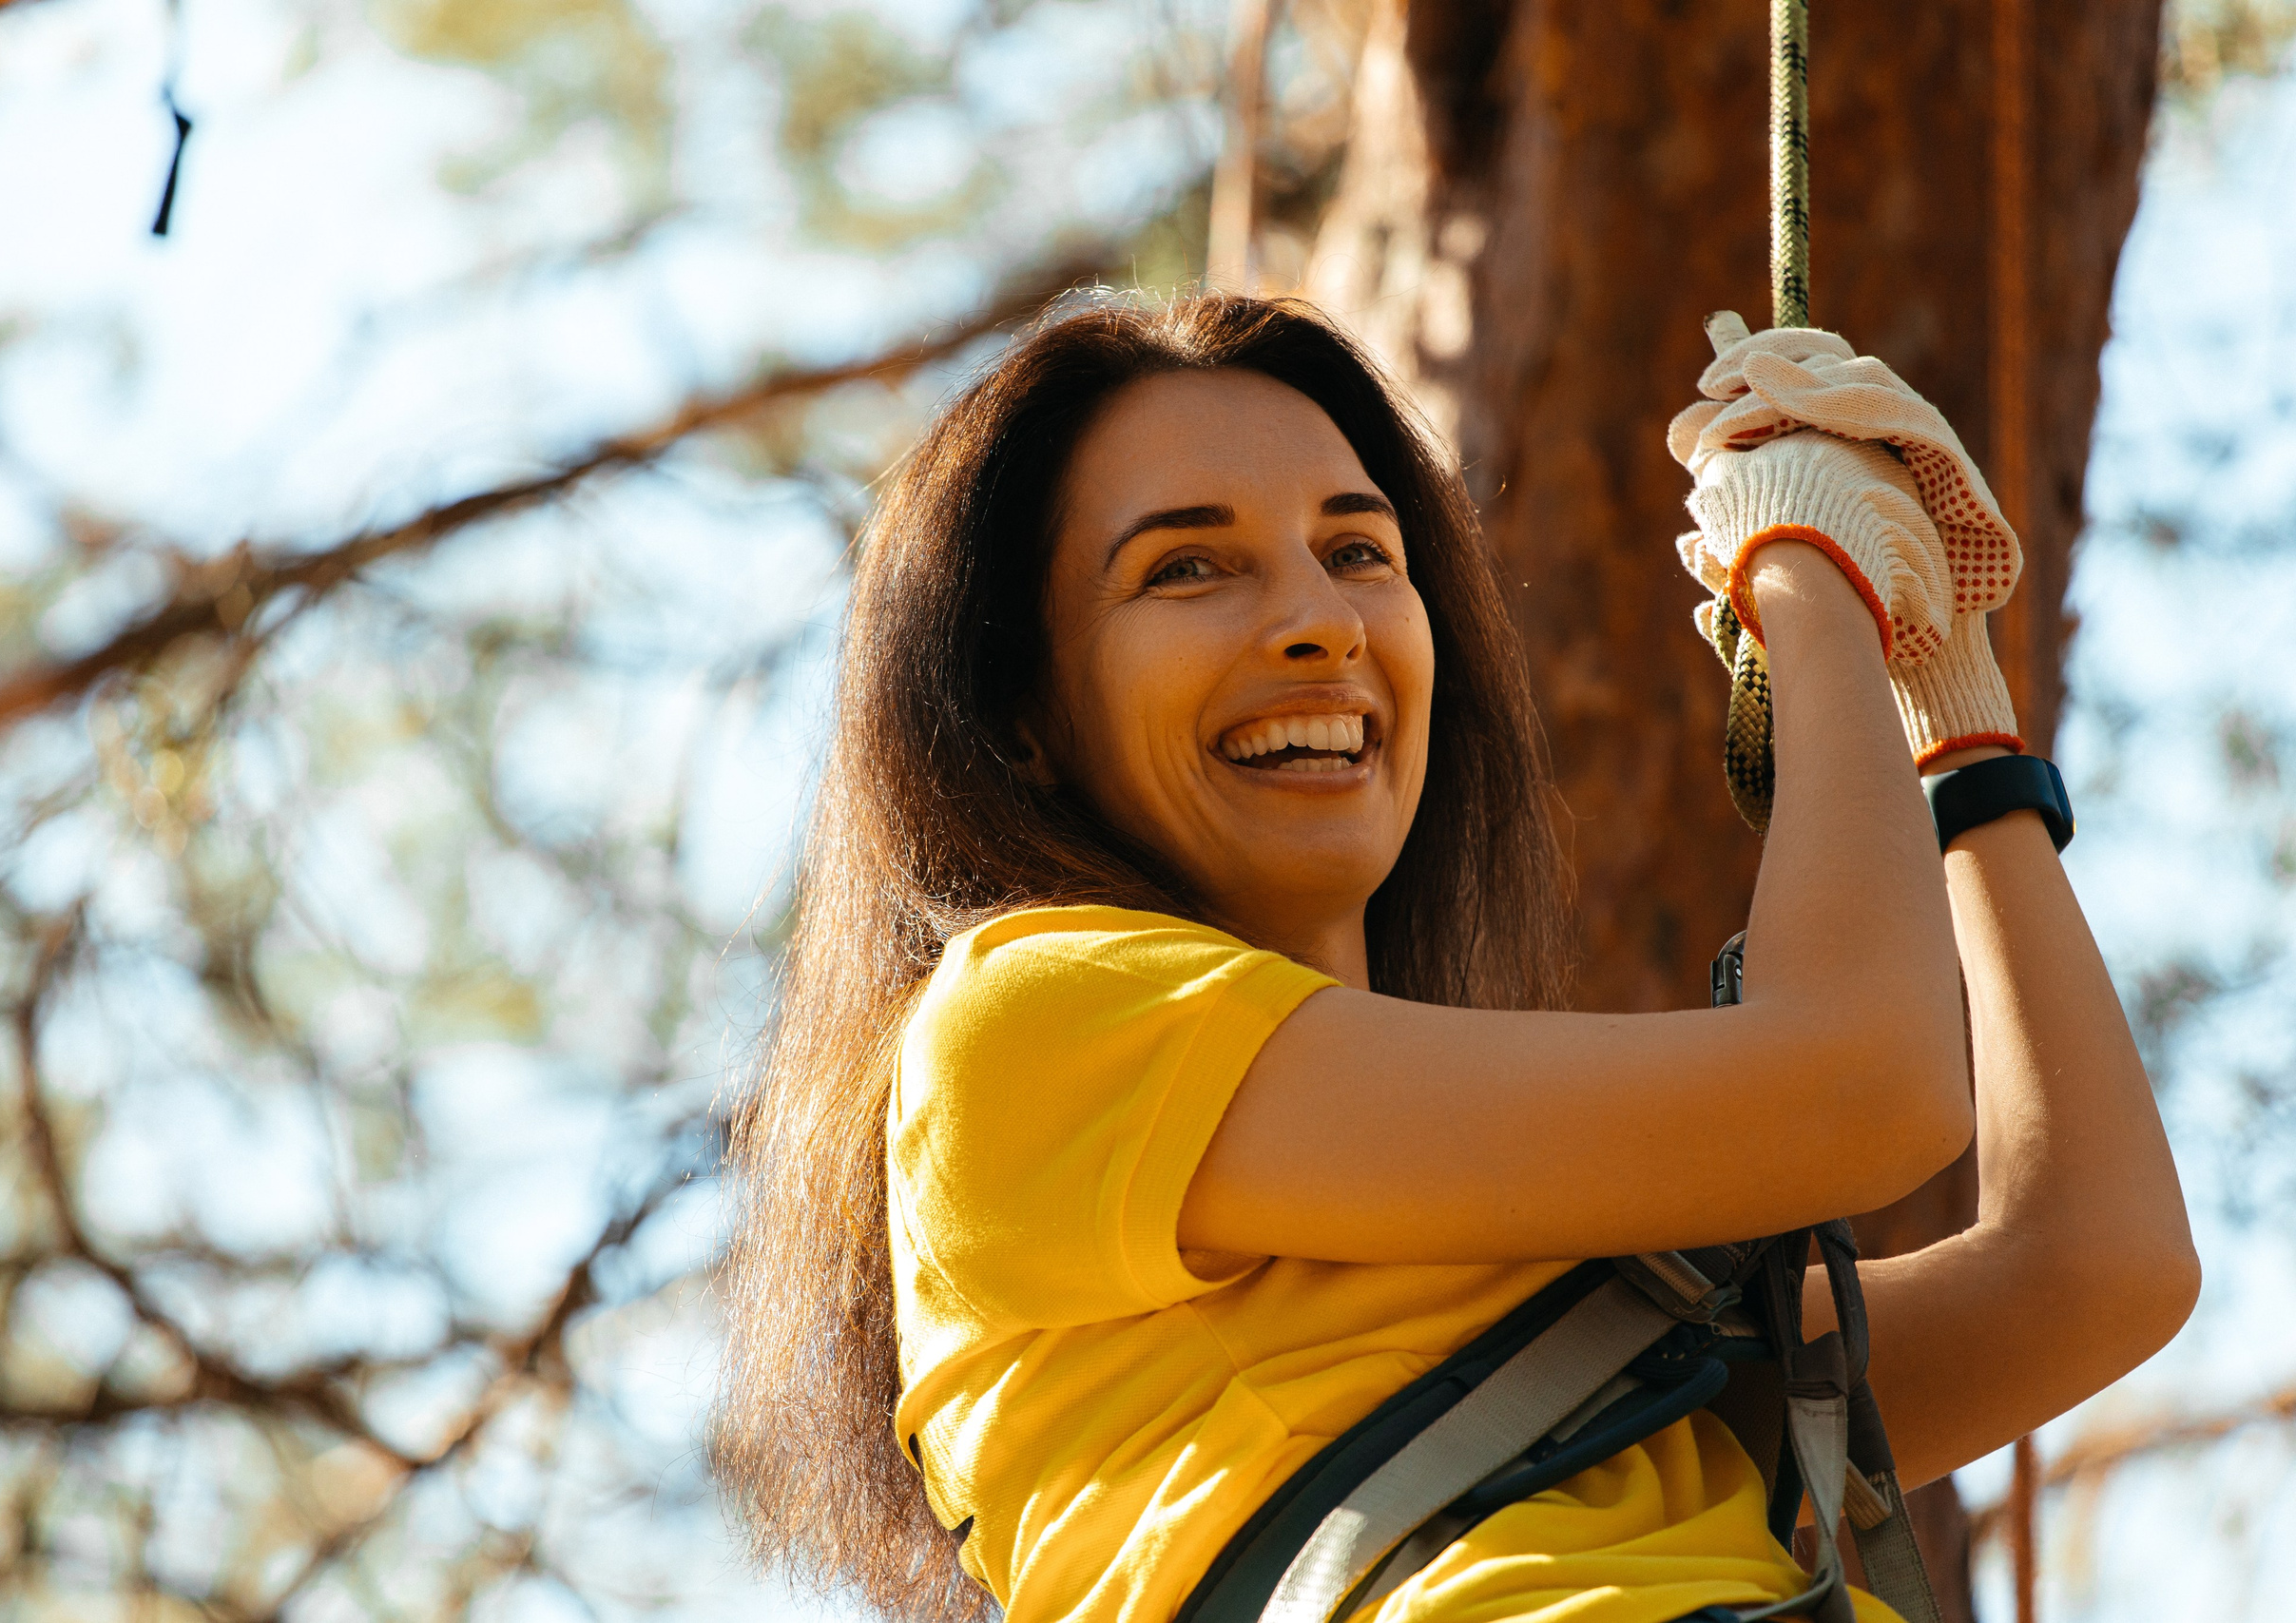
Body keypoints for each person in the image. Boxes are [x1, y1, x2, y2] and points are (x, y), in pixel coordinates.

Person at [711, 293, 2197, 1623]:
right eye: (1187, 571)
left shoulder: (1513, 1297)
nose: (1316, 623)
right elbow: (1867, 1087)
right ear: (1022, 718)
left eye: (1359, 550)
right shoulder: (1025, 1026)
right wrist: (1809, 576)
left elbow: (2096, 1270)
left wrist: (1955, 720)